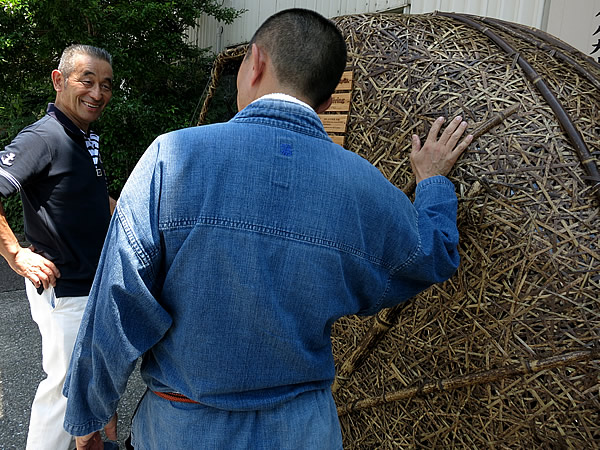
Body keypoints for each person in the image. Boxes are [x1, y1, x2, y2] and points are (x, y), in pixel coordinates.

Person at [63, 8, 472, 450]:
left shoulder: (174, 156)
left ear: (254, 62)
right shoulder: (363, 186)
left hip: (183, 430)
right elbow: (431, 255)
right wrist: (432, 182)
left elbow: (119, 300)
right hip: (304, 432)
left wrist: (90, 412)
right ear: (327, 102)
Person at [0, 44, 115, 450]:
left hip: (92, 284)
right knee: (64, 392)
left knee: (85, 386)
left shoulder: (84, 137)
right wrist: (17, 255)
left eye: (106, 85)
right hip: (63, 290)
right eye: (87, 80)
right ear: (59, 80)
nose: (97, 93)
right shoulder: (43, 137)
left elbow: (94, 200)